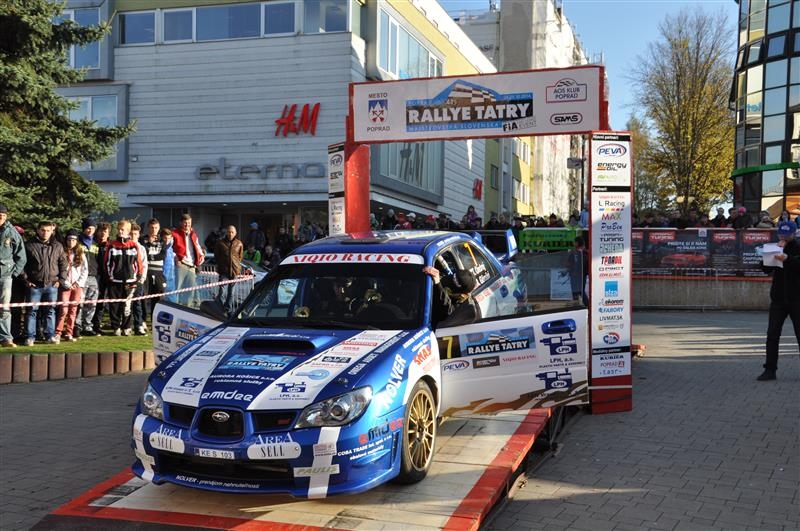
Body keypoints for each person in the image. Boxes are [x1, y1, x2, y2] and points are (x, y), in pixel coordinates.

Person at [757, 220, 799, 381]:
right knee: (772, 335)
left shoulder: (798, 247)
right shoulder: (774, 247)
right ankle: (770, 370)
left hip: (797, 299)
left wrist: (787, 258)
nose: (783, 237)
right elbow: (765, 269)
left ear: (794, 234)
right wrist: (770, 256)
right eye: (781, 233)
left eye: (786, 234)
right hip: (778, 299)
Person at [21, 220, 68, 345]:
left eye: (48, 230)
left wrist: (61, 280)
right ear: (38, 230)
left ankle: (50, 336)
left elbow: (64, 264)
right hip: (34, 285)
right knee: (31, 311)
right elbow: (21, 264)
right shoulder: (29, 245)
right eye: (43, 230)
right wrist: (26, 280)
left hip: (52, 285)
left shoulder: (58, 246)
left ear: (52, 231)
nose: (45, 233)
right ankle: (30, 337)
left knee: (50, 311)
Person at [104, 219, 145, 336]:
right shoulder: (112, 245)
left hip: (130, 281)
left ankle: (127, 327)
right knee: (115, 305)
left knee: (127, 306)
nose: (120, 231)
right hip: (114, 281)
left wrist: (138, 277)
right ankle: (116, 327)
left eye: (122, 230)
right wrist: (109, 276)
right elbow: (107, 263)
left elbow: (139, 263)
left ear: (128, 231)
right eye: (119, 229)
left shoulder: (133, 245)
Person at [0, 203, 26, 348]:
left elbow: (21, 256)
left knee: (4, 308)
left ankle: (6, 338)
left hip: (5, 276)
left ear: (6, 216)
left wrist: (13, 273)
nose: (0, 217)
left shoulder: (11, 232)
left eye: (3, 215)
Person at [55, 229, 88, 342]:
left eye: (74, 240)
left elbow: (85, 270)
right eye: (69, 239)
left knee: (73, 310)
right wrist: (66, 283)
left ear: (77, 241)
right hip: (65, 285)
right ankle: (58, 332)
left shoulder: (80, 253)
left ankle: (69, 332)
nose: (71, 242)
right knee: (63, 310)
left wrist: (78, 283)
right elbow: (58, 269)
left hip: (77, 286)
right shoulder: (62, 252)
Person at [171, 213, 204, 307]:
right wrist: (175, 257)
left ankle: (187, 308)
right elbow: (169, 248)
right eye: (185, 223)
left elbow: (197, 245)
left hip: (192, 265)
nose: (187, 225)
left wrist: (201, 255)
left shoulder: (193, 234)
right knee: (178, 288)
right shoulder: (175, 234)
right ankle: (175, 307)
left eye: (189, 223)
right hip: (181, 264)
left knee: (190, 290)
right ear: (180, 223)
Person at [76, 218, 100, 336]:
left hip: (93, 277)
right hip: (81, 278)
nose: (90, 230)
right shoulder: (78, 242)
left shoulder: (96, 243)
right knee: (79, 303)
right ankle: (77, 326)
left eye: (92, 228)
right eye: (88, 228)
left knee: (91, 303)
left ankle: (87, 326)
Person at [214, 225, 243, 316]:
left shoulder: (239, 243)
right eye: (229, 232)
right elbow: (216, 256)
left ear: (235, 233)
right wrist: (221, 265)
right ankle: (220, 308)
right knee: (222, 291)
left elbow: (240, 257)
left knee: (231, 292)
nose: (230, 234)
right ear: (226, 232)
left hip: (234, 271)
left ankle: (228, 309)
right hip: (223, 271)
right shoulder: (220, 243)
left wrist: (236, 265)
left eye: (232, 232)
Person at [140, 218, 166, 317]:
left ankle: (154, 319)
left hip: (158, 273)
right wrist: (149, 243)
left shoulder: (162, 241)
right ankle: (143, 320)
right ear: (148, 228)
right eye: (151, 227)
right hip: (146, 273)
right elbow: (143, 254)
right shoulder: (142, 240)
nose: (153, 230)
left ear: (159, 228)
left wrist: (150, 256)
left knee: (157, 298)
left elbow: (162, 256)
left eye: (155, 228)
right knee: (143, 297)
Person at [90, 221, 112, 334]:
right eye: (101, 231)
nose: (103, 233)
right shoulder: (93, 245)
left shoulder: (111, 246)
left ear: (108, 233)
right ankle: (88, 324)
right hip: (94, 276)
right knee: (92, 301)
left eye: (105, 231)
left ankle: (97, 324)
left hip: (107, 277)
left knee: (102, 302)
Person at [129, 222, 149, 335]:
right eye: (131, 233)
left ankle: (138, 325)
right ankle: (127, 326)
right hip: (127, 280)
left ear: (138, 235)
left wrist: (142, 278)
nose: (133, 236)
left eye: (135, 234)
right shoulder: (125, 246)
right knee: (126, 304)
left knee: (137, 303)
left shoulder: (141, 248)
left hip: (138, 279)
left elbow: (144, 264)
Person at [568, 236, 589, 305]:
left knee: (580, 291)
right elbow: (568, 262)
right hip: (576, 275)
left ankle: (587, 305)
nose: (573, 243)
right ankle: (577, 304)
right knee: (576, 291)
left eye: (574, 242)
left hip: (580, 275)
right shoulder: (573, 252)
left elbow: (585, 264)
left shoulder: (584, 253)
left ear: (577, 243)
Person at [160, 228, 176, 302]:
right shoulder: (161, 248)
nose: (167, 240)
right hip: (163, 276)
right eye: (165, 238)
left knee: (171, 296)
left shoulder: (170, 248)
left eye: (169, 238)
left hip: (171, 276)